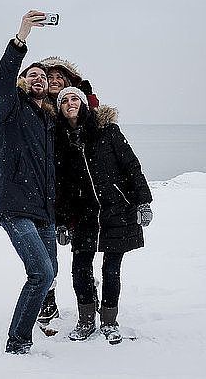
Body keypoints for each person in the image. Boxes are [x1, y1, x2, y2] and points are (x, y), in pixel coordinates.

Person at [54, 87, 153, 345]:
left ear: (84, 103)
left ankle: (109, 321)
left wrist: (143, 202)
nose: (70, 103)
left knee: (111, 269)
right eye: (64, 100)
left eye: (74, 98)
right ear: (60, 108)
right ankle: (86, 320)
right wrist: (63, 221)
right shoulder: (61, 140)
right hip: (84, 215)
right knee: (79, 269)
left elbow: (132, 165)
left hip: (117, 211)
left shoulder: (107, 131)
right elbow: (62, 186)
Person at [0, 10, 57, 354]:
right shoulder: (9, 107)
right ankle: (17, 343)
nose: (37, 78)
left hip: (41, 211)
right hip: (14, 205)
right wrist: (22, 38)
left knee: (51, 270)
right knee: (41, 274)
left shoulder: (46, 120)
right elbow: (1, 81)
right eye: (32, 74)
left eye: (42, 76)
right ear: (22, 81)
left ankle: (32, 321)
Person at [35, 57, 100, 326]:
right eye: (49, 77)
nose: (53, 80)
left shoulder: (77, 107)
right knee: (45, 249)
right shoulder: (36, 106)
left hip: (73, 189)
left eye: (59, 76)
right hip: (44, 187)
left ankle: (89, 293)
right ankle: (48, 301)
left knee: (80, 254)